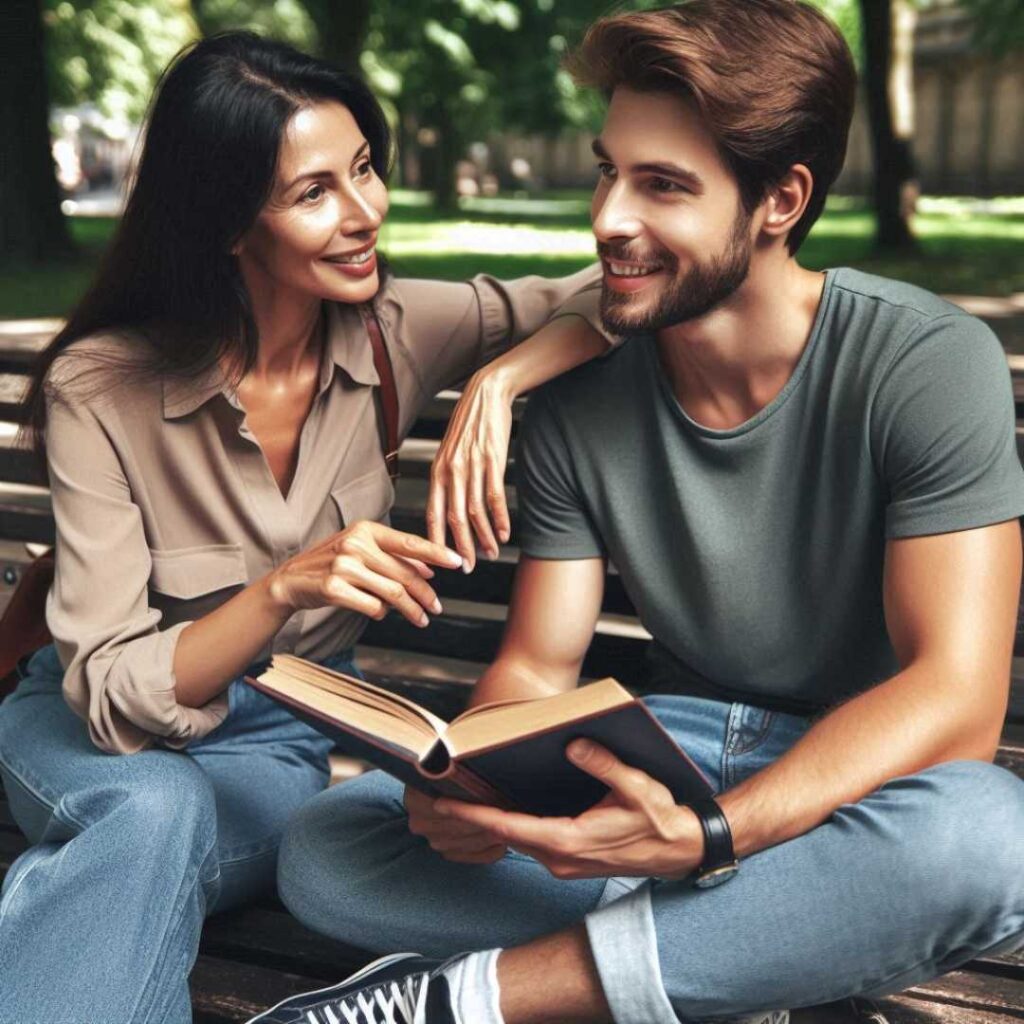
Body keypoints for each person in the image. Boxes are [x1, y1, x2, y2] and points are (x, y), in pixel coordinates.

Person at [262, 3, 1024, 1024]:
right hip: (663, 751)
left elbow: (956, 699)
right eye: (606, 170)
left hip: (859, 781)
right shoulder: (582, 399)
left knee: (987, 840)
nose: (610, 216)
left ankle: (468, 1002)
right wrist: (474, 785)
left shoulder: (922, 363)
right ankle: (757, 948)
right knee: (333, 849)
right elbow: (538, 665)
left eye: (662, 184)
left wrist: (716, 837)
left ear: (780, 200)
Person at [0, 32, 614, 1024]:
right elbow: (109, 698)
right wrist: (283, 588)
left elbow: (618, 288)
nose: (364, 211)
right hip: (81, 734)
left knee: (152, 844)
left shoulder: (398, 328)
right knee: (151, 806)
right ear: (227, 221)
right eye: (314, 191)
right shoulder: (98, 387)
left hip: (274, 748)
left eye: (364, 169)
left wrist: (502, 377)